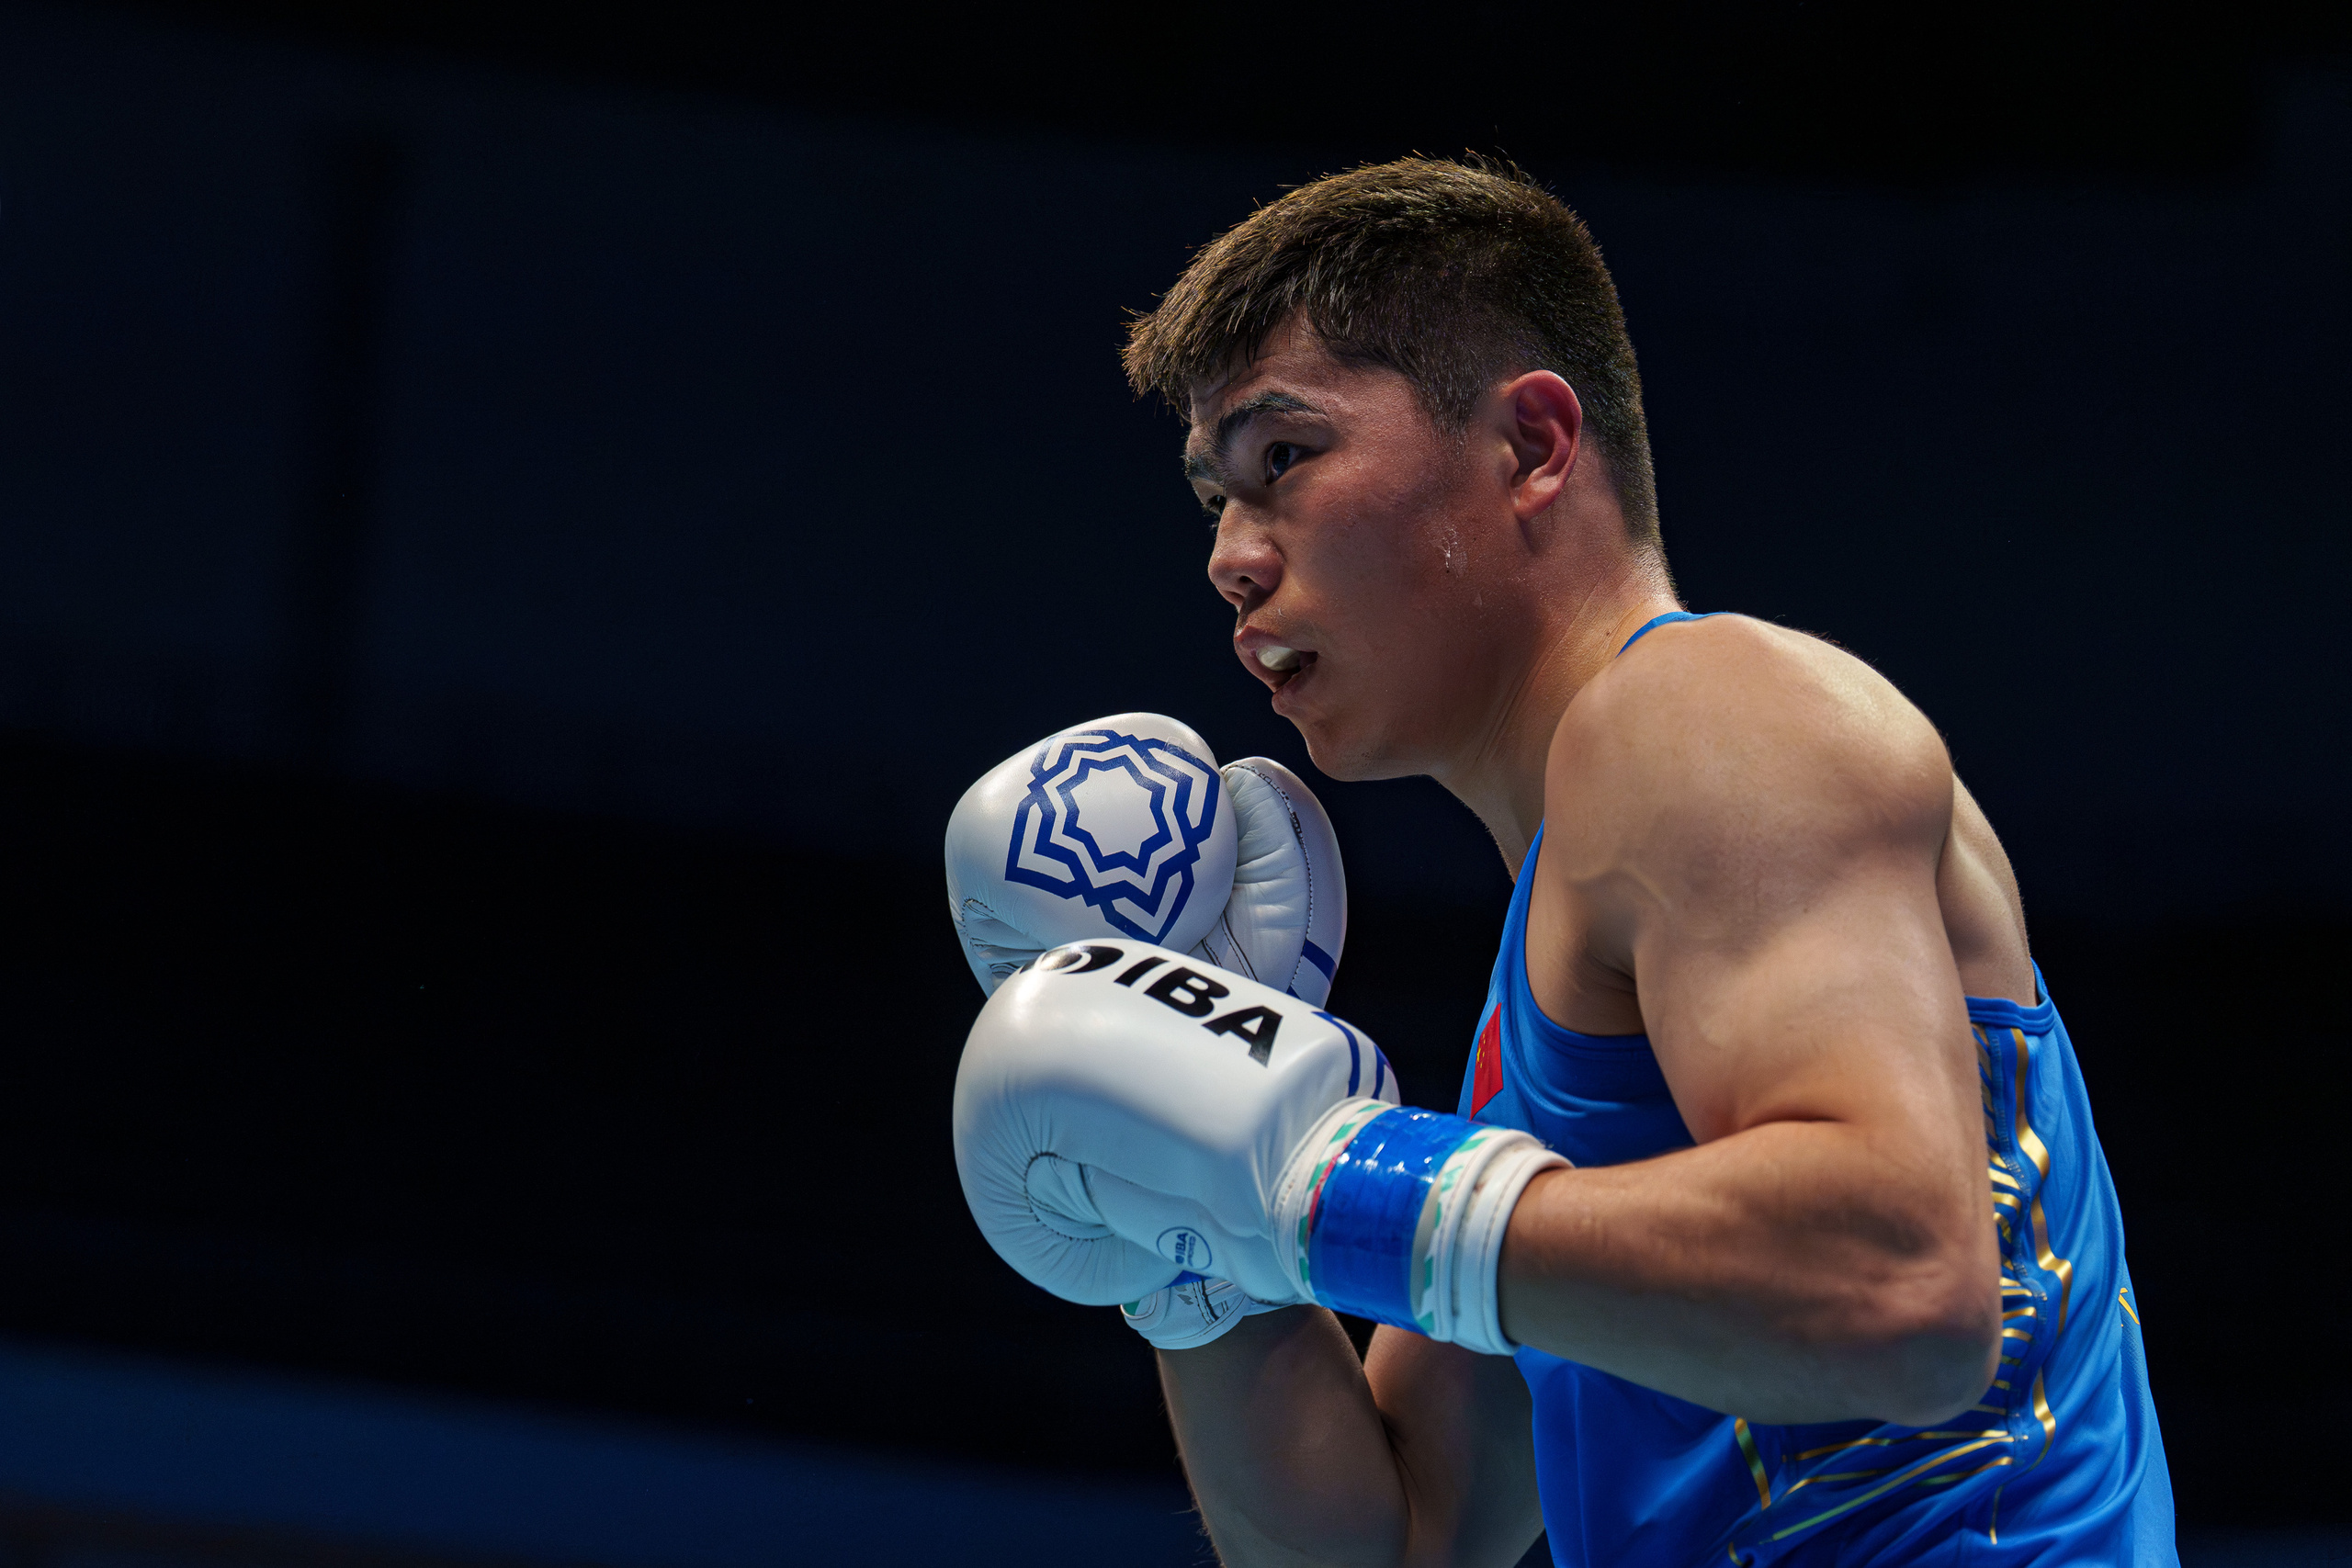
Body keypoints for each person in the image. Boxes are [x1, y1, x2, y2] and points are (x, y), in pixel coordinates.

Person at [957, 157, 2175, 1567]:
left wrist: (1318, 1183)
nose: (1230, 557)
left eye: (1281, 459)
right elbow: (1397, 1542)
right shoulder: (1541, 997)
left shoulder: (1712, 713)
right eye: (1212, 500)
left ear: (1533, 445)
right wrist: (1197, 1258)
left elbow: (1900, 1288)